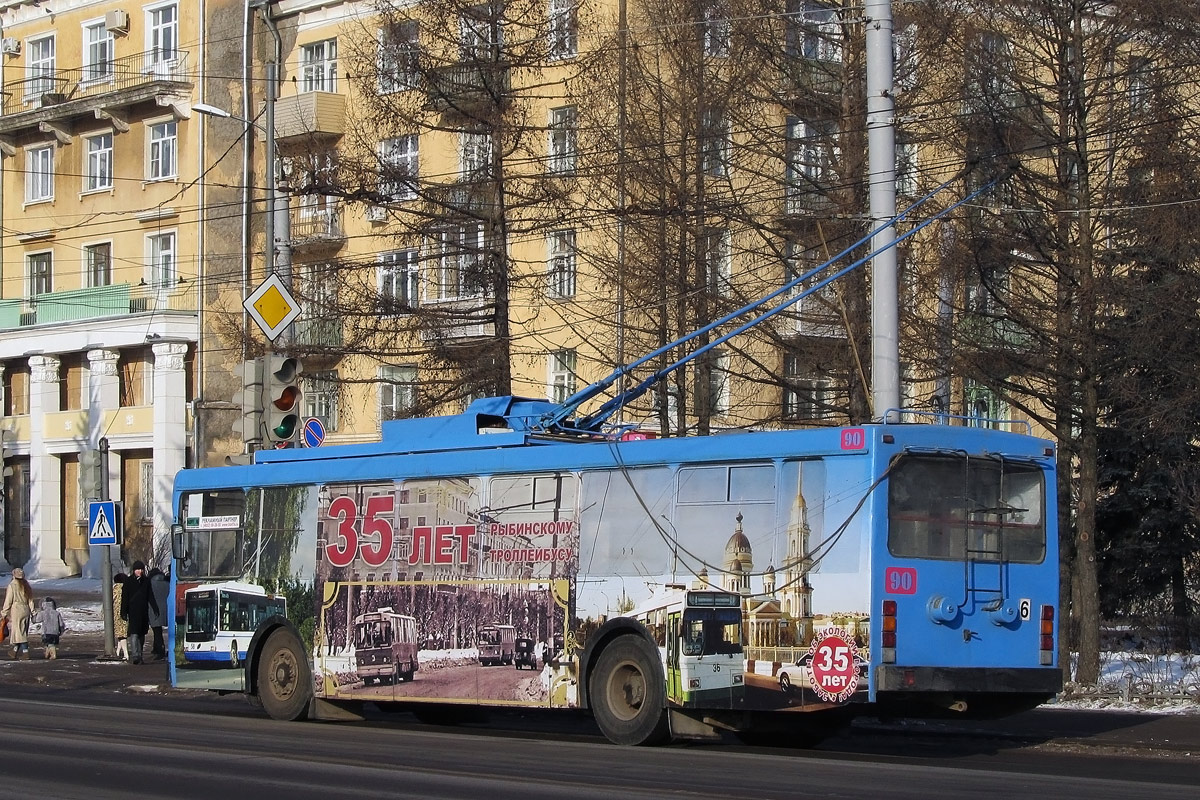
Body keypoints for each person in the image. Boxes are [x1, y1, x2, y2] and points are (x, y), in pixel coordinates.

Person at [120, 562, 159, 664]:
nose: (140, 571)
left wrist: (155, 608)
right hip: (133, 611)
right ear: (134, 570)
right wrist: (123, 612)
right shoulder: (128, 581)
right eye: (138, 569)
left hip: (143, 611)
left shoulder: (146, 581)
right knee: (134, 633)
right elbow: (125, 597)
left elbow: (150, 596)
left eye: (141, 569)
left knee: (142, 634)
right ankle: (135, 656)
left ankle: (140, 654)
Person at [2, 567, 35, 660]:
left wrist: (4, 612)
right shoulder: (26, 585)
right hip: (26, 609)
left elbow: (8, 600)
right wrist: (33, 611)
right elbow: (30, 600)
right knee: (22, 632)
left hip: (17, 610)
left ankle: (25, 652)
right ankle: (14, 651)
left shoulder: (12, 585)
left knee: (19, 633)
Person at [148, 567, 170, 661]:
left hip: (154, 610)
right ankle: (159, 649)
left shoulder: (150, 584)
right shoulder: (168, 582)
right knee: (171, 630)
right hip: (167, 608)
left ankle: (159, 650)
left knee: (157, 631)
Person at [112, 573, 128, 660]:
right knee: (122, 633)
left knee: (120, 634)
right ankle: (119, 651)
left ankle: (125, 653)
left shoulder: (115, 589)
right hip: (125, 613)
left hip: (116, 614)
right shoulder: (127, 588)